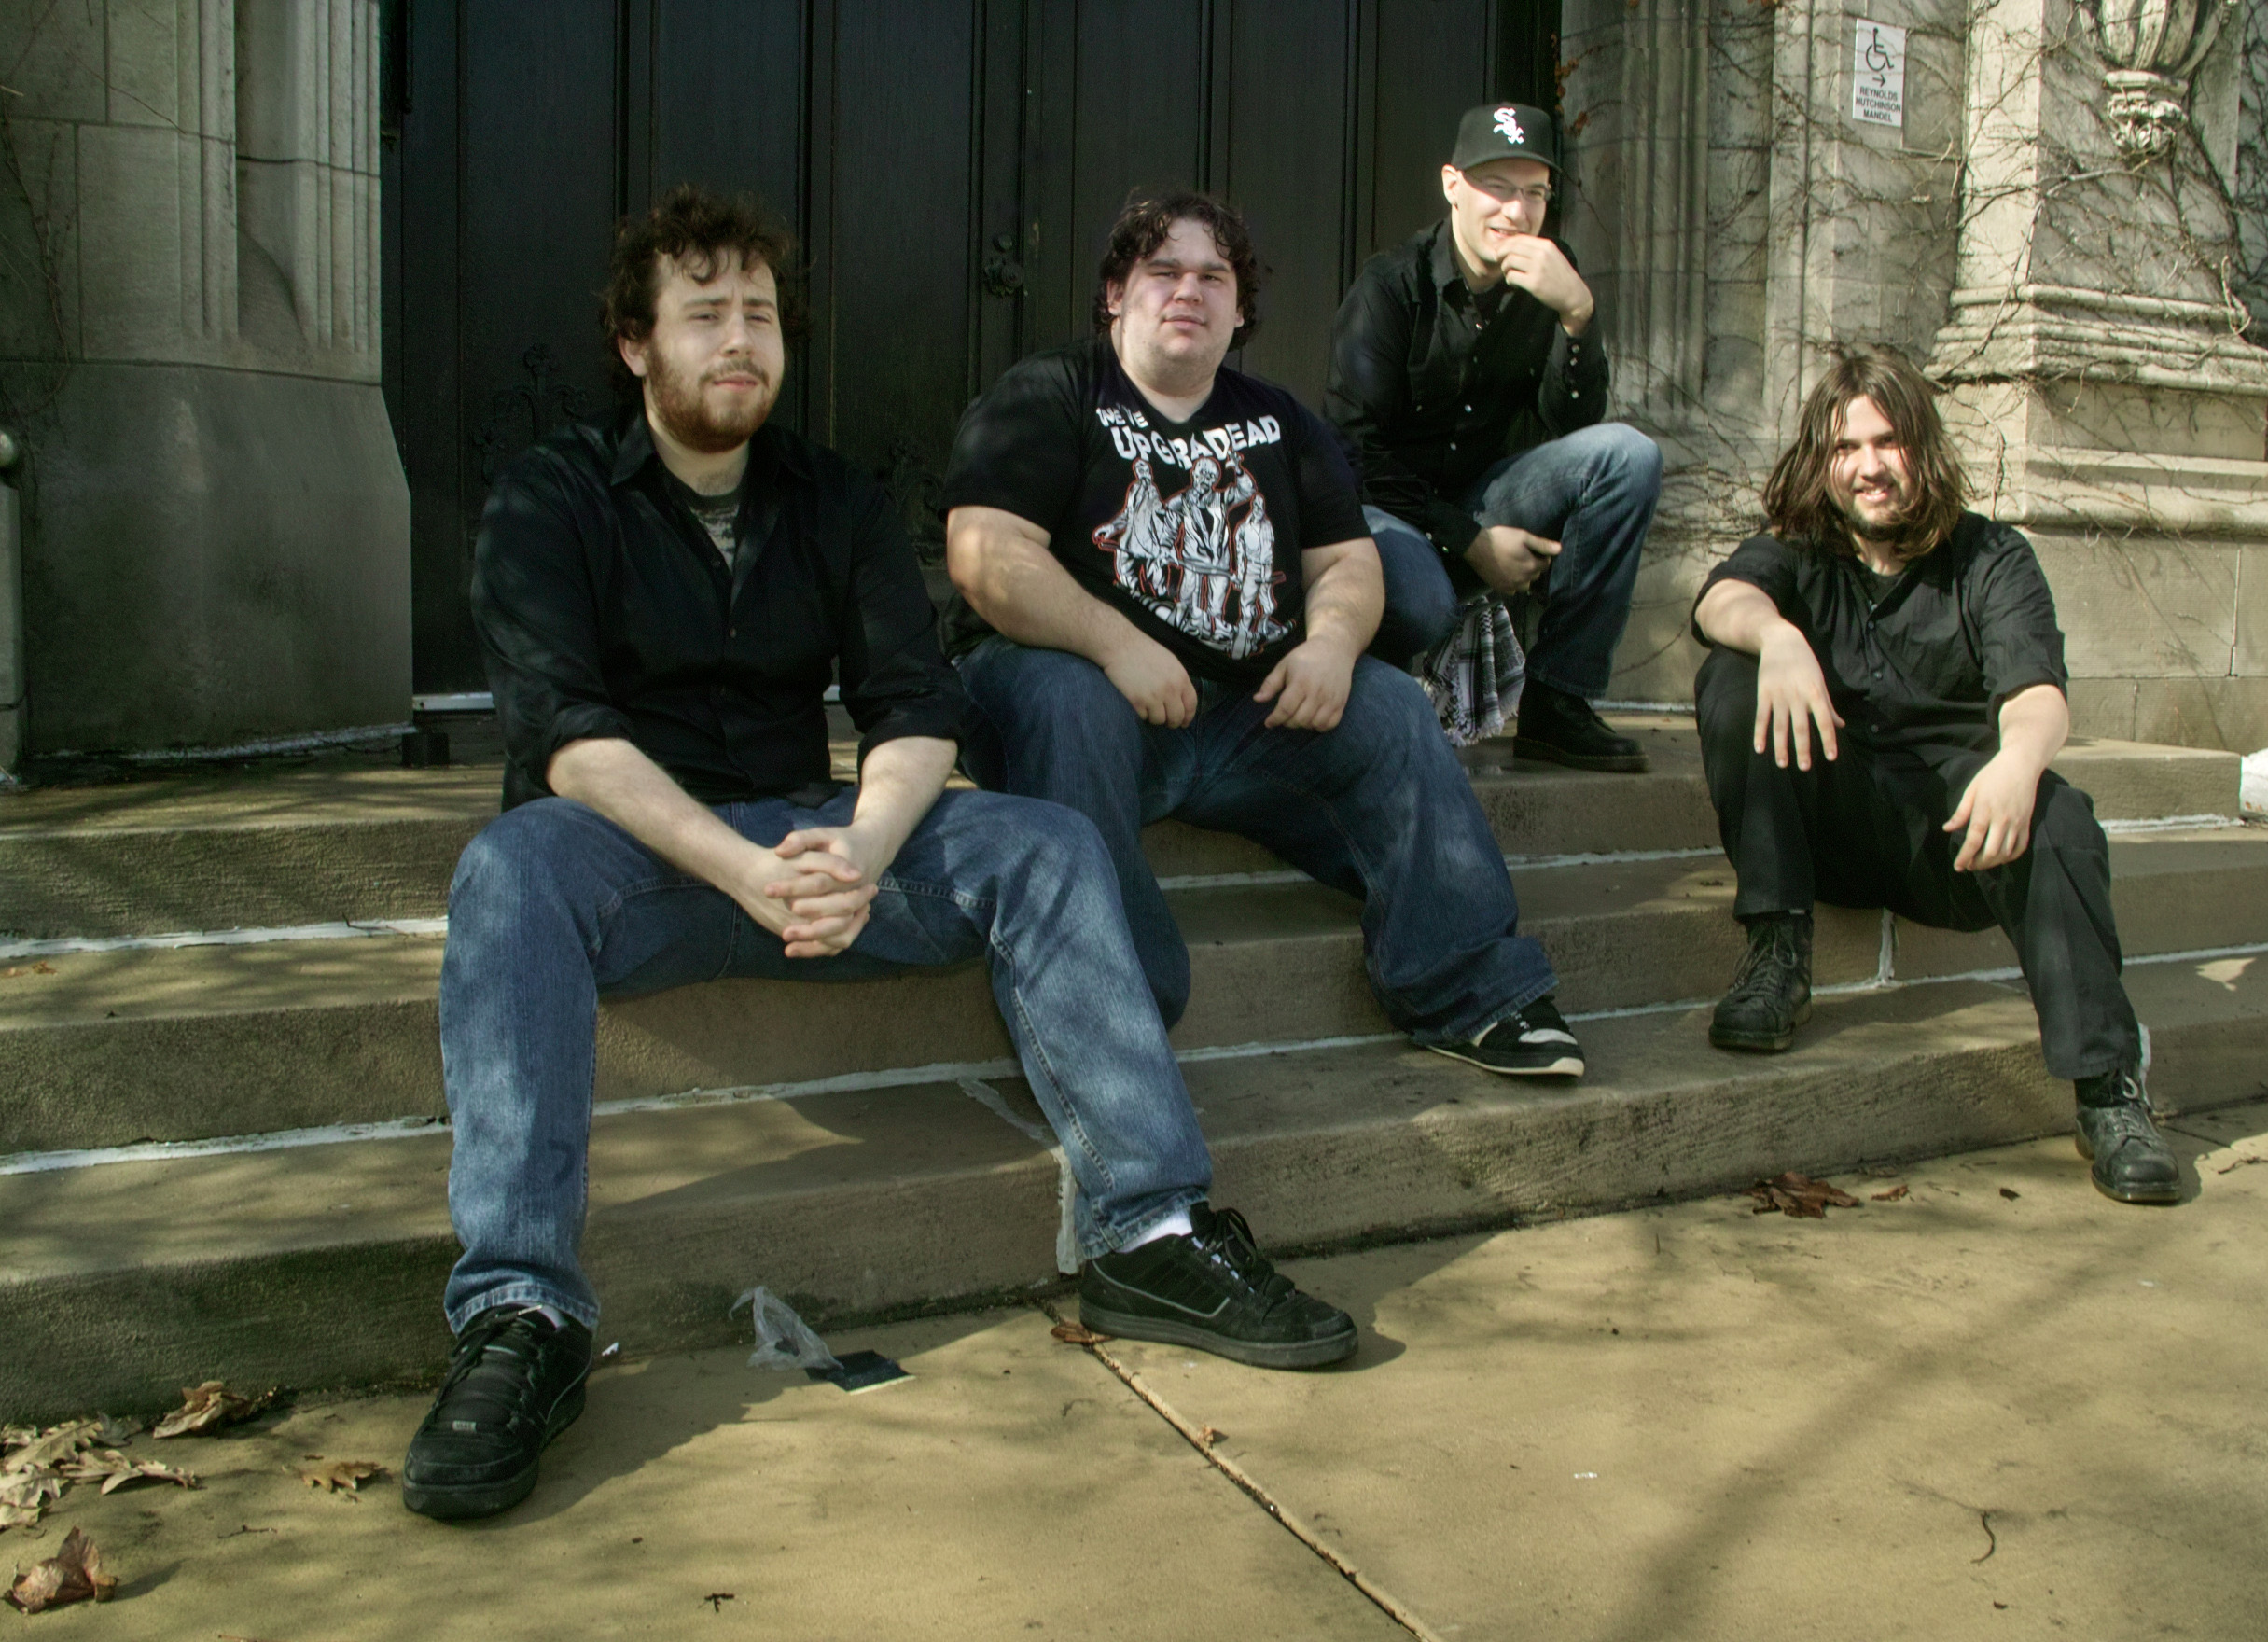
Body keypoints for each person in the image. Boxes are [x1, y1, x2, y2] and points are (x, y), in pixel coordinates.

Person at [403, 188, 1357, 1524]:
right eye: (704, 315)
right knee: (508, 869)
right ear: (634, 343)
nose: (740, 340)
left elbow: (914, 706)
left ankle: (1148, 1230)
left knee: (1045, 843)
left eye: (760, 314)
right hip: (635, 859)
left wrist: (858, 845)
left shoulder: (835, 497)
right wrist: (743, 871)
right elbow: (567, 740)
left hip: (820, 844)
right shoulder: (548, 498)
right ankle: (521, 1314)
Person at [941, 191, 1584, 1078]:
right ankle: (1109, 1008)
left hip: (1239, 719)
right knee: (1066, 693)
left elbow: (1347, 561)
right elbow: (984, 552)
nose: (1188, 291)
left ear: (1240, 308)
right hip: (1072, 710)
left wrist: (1330, 647)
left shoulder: (1280, 421)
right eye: (1163, 271)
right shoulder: (1051, 392)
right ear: (1116, 295)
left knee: (1391, 704)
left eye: (1215, 277)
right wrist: (1116, 645)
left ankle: (1473, 991)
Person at [1690, 348, 2180, 1205]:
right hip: (1828, 826)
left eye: (1889, 442)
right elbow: (1717, 602)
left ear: (1923, 446)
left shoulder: (1992, 557)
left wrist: (2019, 763)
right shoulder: (1799, 549)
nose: (1868, 467)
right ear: (1821, 461)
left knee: (2062, 818)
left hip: (1956, 840)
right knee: (1733, 676)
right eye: (1846, 448)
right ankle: (1777, 955)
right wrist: (1777, 637)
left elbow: (2036, 692)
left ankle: (2108, 1092)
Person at [1325, 101, 1664, 773]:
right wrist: (1471, 542)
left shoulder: (1551, 279)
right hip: (1388, 516)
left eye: (1534, 192)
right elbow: (1354, 455)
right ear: (1453, 184)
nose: (1516, 211)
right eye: (1497, 187)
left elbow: (1573, 430)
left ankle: (1558, 703)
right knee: (1424, 602)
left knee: (1630, 456)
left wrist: (1577, 315)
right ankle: (1376, 704)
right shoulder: (1390, 288)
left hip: (1487, 499)